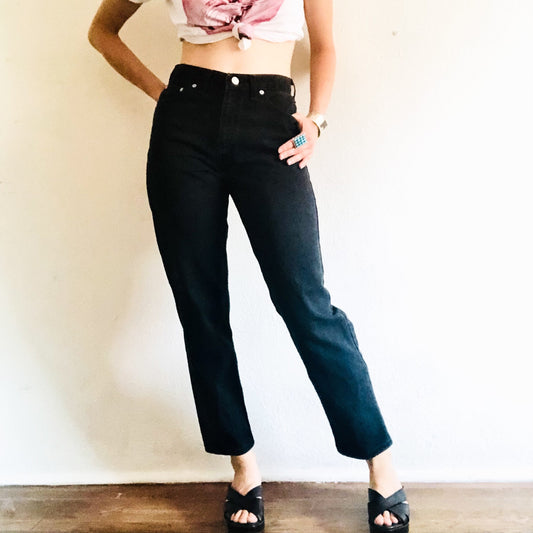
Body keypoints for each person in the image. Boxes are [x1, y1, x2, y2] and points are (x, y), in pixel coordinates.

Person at [88, 0, 410, 531]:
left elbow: (324, 46)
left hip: (273, 125)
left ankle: (380, 461)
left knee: (306, 302)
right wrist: (162, 95)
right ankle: (243, 466)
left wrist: (317, 120)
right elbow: (102, 31)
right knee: (202, 307)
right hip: (185, 123)